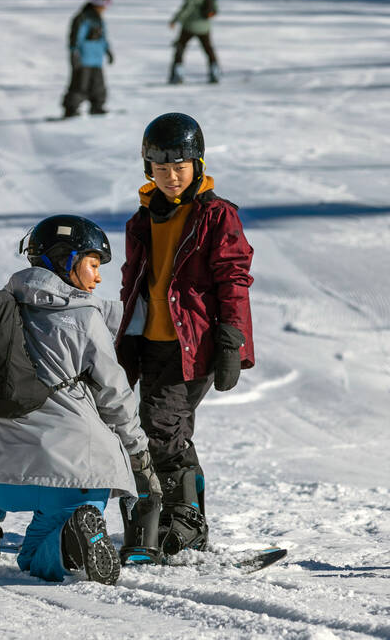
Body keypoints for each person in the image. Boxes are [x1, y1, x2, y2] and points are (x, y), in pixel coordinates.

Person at [0, 215, 156, 584]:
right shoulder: (85, 319)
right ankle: (67, 543)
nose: (98, 276)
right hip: (69, 473)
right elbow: (115, 397)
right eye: (93, 264)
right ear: (65, 260)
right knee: (41, 552)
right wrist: (139, 455)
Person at [114, 113, 255, 560]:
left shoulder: (216, 215)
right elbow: (132, 281)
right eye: (161, 168)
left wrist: (232, 340)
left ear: (198, 164)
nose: (172, 176)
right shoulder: (141, 221)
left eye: (180, 166)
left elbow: (233, 276)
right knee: (156, 428)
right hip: (148, 340)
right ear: (147, 170)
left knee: (161, 427)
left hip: (193, 343)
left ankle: (187, 524)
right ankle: (176, 521)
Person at [62, 0, 114, 119]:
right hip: (83, 58)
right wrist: (74, 52)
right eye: (104, 5)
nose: (105, 9)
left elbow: (103, 38)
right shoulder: (82, 18)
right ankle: (71, 109)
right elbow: (75, 38)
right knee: (80, 84)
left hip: (96, 59)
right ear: (98, 4)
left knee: (98, 85)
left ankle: (97, 107)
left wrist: (108, 51)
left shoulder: (98, 19)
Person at [169, 0, 220, 85]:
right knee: (208, 48)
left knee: (180, 47)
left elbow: (190, 3)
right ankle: (215, 71)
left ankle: (177, 73)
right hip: (204, 23)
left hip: (192, 22)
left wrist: (177, 18)